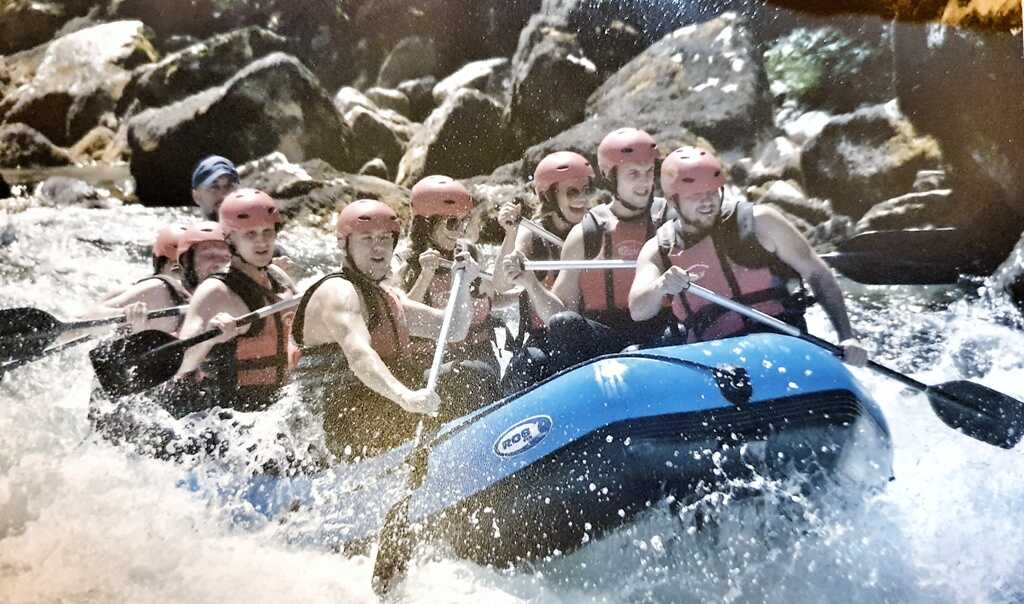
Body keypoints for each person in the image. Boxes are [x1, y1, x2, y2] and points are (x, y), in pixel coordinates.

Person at [628, 146, 868, 366]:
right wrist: (661, 286)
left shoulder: (761, 222)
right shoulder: (659, 248)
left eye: (711, 192)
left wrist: (847, 336)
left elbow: (817, 273)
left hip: (782, 346)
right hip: (715, 363)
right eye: (694, 195)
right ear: (673, 200)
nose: (707, 203)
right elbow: (638, 311)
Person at [291, 199, 482, 459]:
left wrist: (464, 284)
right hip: (332, 427)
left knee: (471, 375)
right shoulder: (338, 293)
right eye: (366, 239)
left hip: (376, 407)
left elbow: (454, 329)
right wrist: (406, 398)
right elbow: (360, 357)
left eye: (384, 238)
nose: (378, 247)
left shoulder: (387, 297)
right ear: (343, 245)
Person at [174, 189, 298, 413]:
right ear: (230, 239)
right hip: (229, 422)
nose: (262, 242)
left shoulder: (280, 280)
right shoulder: (215, 291)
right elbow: (182, 362)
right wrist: (209, 339)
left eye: (267, 232)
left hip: (278, 410)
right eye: (250, 234)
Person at [490, 151, 594, 391]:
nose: (581, 199)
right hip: (546, 340)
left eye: (585, 190)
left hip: (588, 335)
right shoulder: (533, 235)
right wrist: (510, 234)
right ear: (548, 196)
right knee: (529, 366)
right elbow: (500, 284)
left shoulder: (596, 229)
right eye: (572, 192)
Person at [397, 175, 501, 402]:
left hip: (478, 353)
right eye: (452, 223)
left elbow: (493, 297)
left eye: (463, 222)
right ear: (426, 224)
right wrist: (425, 275)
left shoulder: (469, 254)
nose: (459, 232)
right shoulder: (405, 264)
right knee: (474, 375)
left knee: (480, 372)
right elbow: (402, 319)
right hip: (430, 363)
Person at [84, 223, 191, 334]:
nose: (180, 278)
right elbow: (89, 318)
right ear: (159, 265)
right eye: (175, 267)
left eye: (187, 268)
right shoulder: (130, 292)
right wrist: (124, 313)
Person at [191, 155, 240, 221]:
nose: (223, 195)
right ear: (196, 197)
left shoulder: (253, 227)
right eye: (214, 187)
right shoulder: (186, 229)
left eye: (229, 186)